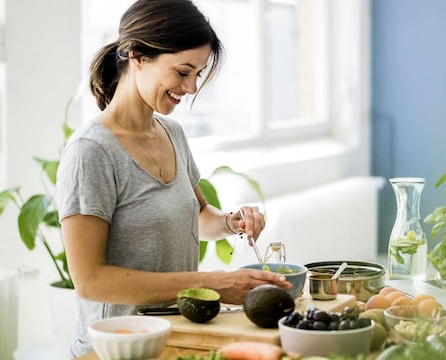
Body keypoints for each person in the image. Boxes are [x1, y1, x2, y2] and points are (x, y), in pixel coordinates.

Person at [56, 0, 292, 357]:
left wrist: (231, 222)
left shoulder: (172, 133)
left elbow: (196, 218)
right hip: (117, 348)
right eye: (183, 72)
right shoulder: (91, 151)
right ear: (137, 55)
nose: (192, 87)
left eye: (197, 74)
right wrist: (214, 283)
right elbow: (91, 281)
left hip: (175, 337)